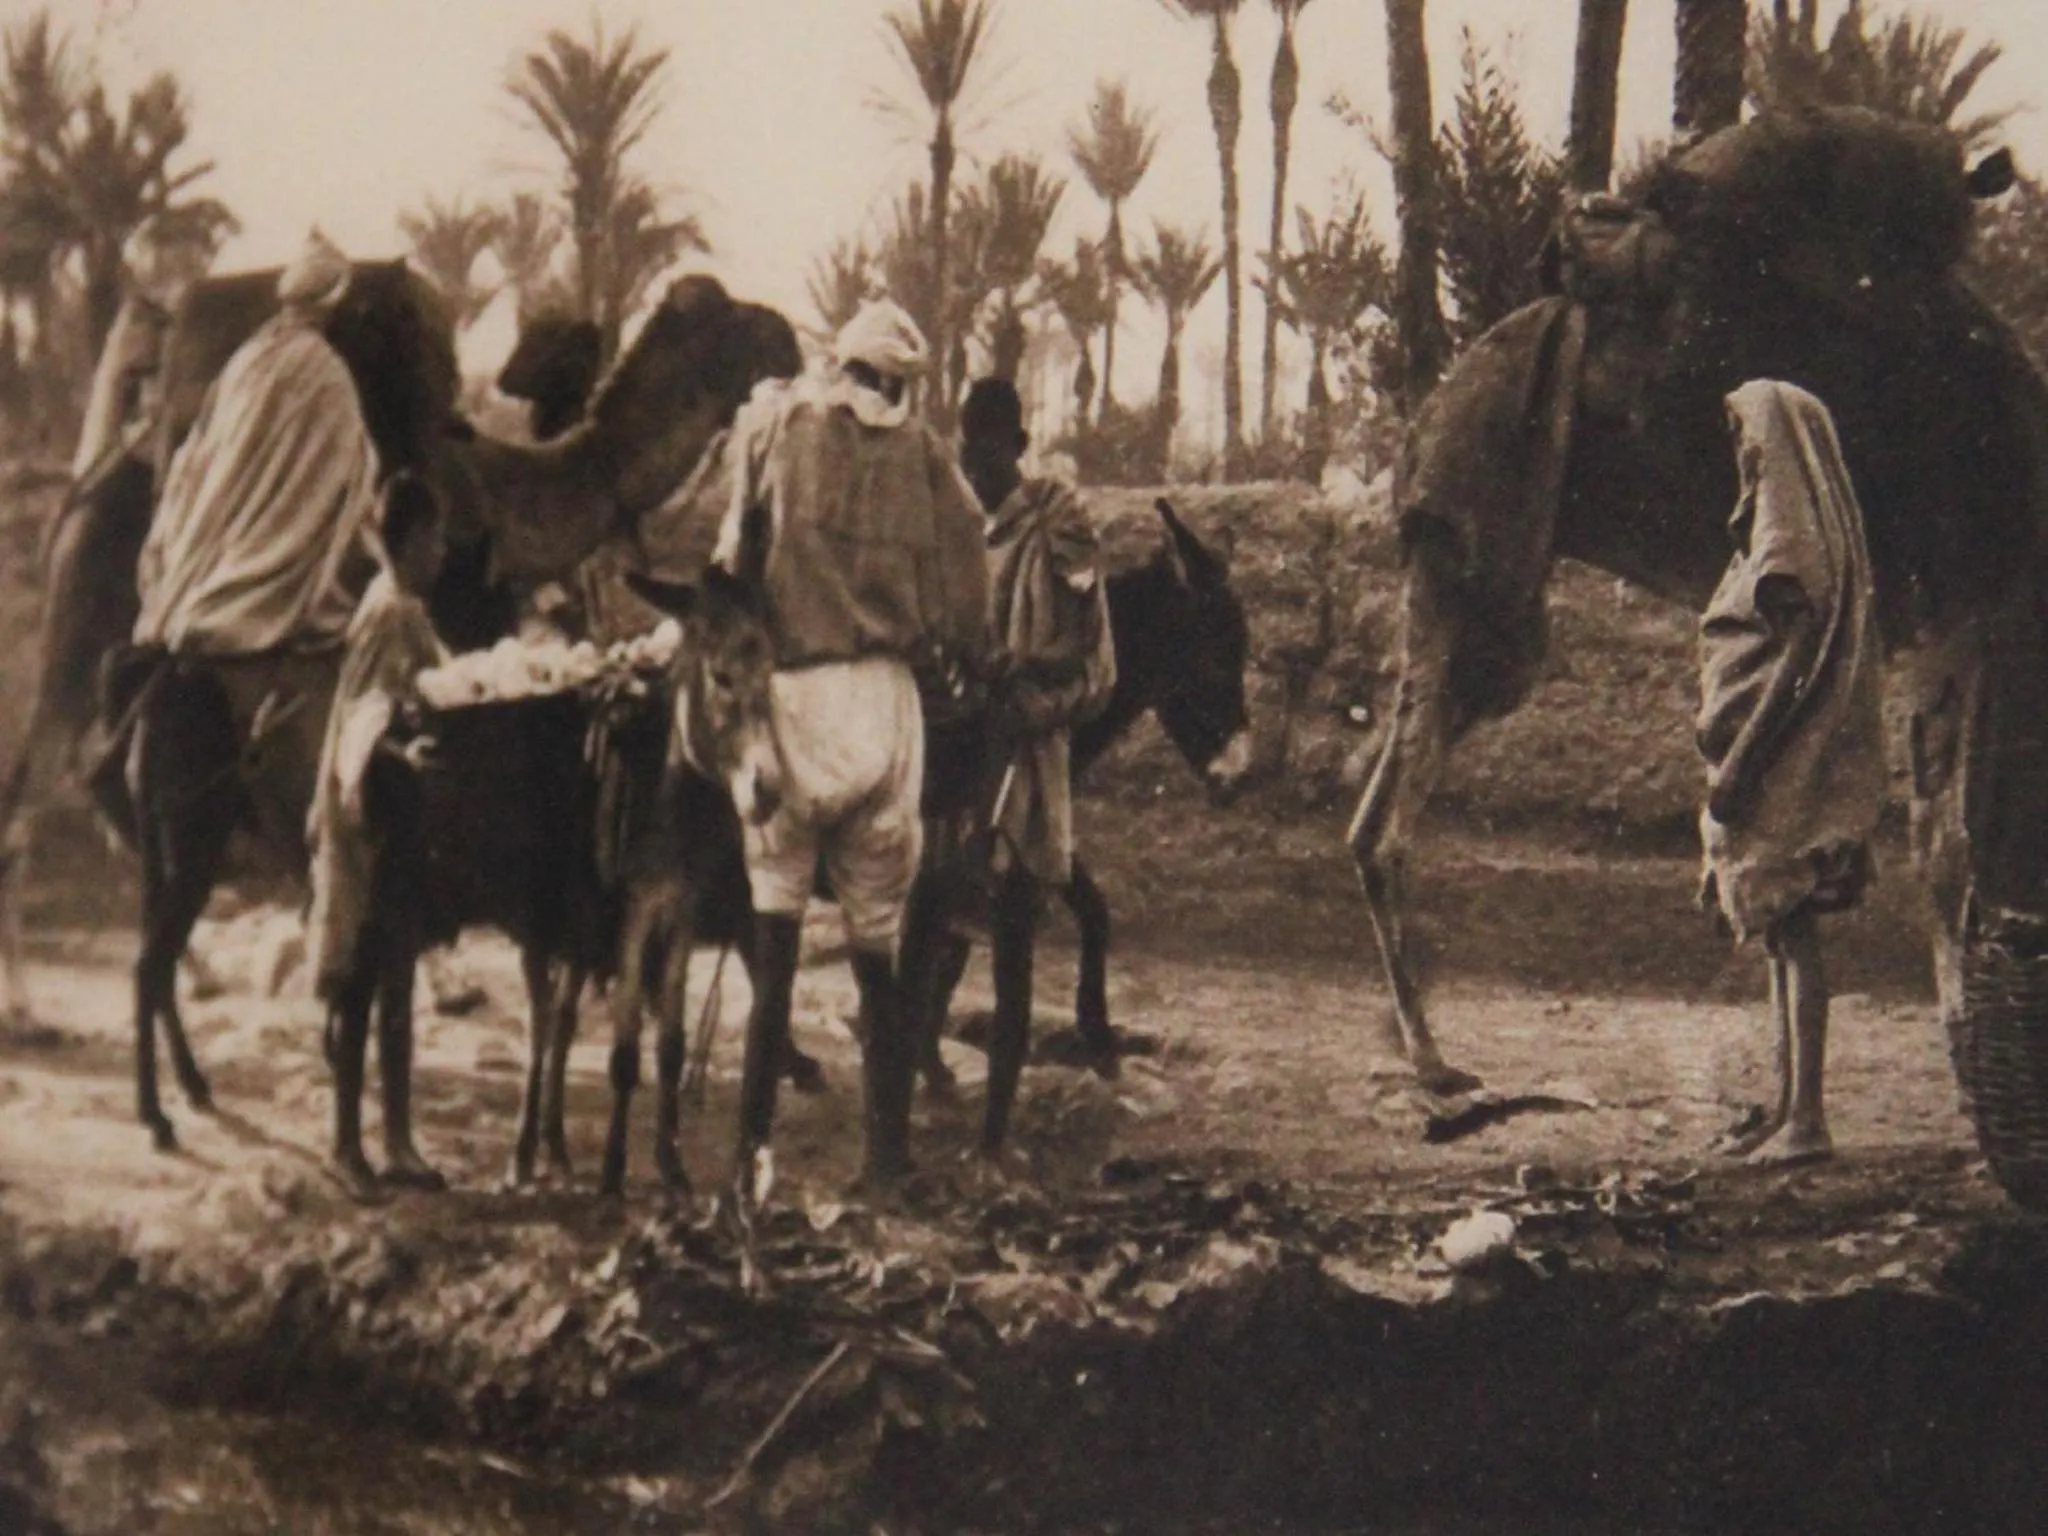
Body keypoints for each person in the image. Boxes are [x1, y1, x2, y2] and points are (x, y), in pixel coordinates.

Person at [714, 298, 991, 1194]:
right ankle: (885, 1158)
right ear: (904, 381)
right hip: (885, 707)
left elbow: (731, 566)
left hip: (793, 700)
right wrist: (956, 642)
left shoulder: (776, 429)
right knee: (878, 956)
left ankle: (752, 1156)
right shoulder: (926, 457)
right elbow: (967, 579)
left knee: (775, 942)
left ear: (843, 367)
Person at [1697, 379, 1886, 1168]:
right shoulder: (1779, 538)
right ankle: (1786, 1108)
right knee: (1782, 935)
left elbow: (1797, 653)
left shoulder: (1787, 540)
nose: (1742, 455)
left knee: (1796, 934)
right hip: (1772, 764)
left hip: (1780, 766)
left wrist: (1742, 760)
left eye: (1749, 441)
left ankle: (1808, 1117)